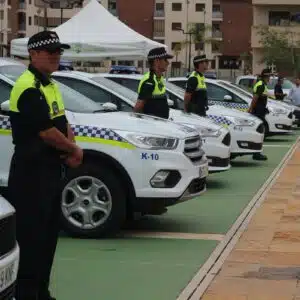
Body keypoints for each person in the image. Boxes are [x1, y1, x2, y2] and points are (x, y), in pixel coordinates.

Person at [8, 31, 83, 300]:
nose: (55, 55)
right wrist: (73, 148)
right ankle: (28, 294)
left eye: (58, 51)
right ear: (33, 54)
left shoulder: (50, 85)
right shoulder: (27, 86)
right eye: (49, 51)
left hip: (50, 172)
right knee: (31, 240)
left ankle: (42, 292)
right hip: (31, 174)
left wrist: (72, 144)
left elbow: (62, 121)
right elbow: (46, 131)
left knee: (49, 237)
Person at [134, 47, 173, 119]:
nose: (168, 63)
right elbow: (138, 108)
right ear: (157, 61)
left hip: (161, 125)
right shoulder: (149, 81)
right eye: (165, 60)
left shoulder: (159, 78)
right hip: (152, 126)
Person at [248, 68, 271, 161]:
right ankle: (256, 153)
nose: (270, 78)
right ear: (266, 76)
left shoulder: (262, 84)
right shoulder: (261, 85)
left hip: (260, 111)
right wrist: (251, 108)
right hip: (258, 112)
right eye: (269, 76)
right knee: (260, 131)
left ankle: (257, 152)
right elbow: (255, 98)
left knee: (261, 131)